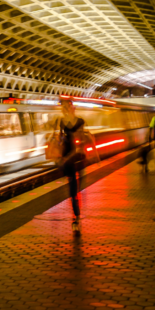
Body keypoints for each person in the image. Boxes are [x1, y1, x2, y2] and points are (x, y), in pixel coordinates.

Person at [58, 98, 86, 234]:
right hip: (66, 160)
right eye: (64, 107)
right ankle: (76, 217)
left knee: (75, 190)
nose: (66, 109)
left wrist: (66, 158)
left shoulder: (80, 122)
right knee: (72, 191)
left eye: (68, 106)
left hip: (76, 159)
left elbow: (79, 144)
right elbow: (58, 139)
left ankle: (77, 217)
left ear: (72, 108)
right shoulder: (61, 122)